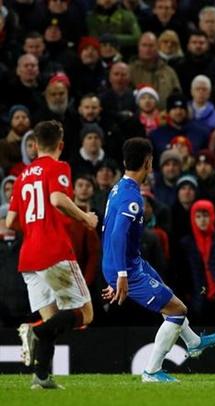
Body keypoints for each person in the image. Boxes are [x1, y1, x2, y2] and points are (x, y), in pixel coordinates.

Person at [101, 138, 215, 383]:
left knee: (168, 296)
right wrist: (120, 276)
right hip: (126, 269)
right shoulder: (131, 199)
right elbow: (116, 235)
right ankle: (152, 371)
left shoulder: (119, 187)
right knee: (178, 310)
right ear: (148, 162)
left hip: (129, 263)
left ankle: (193, 342)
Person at [6, 120, 98, 389]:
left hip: (28, 258)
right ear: (60, 145)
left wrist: (34, 224)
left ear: (34, 146)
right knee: (85, 313)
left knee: (53, 318)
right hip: (53, 251)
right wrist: (85, 218)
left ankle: (42, 377)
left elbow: (11, 220)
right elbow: (58, 199)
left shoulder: (22, 175)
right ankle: (35, 330)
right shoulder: (58, 167)